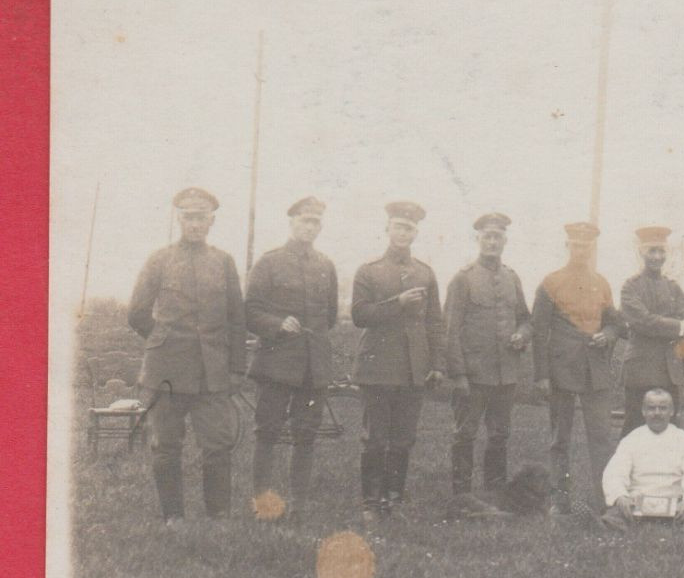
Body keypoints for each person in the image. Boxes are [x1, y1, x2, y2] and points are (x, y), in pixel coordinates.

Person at [128, 187, 247, 522]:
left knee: (218, 446)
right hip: (165, 373)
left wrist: (236, 368)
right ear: (180, 219)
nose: (195, 224)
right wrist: (164, 340)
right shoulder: (159, 260)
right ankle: (173, 519)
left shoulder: (223, 262)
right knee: (165, 447)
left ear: (211, 221)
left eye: (201, 218)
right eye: (189, 217)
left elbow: (237, 319)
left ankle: (218, 517)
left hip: (212, 373)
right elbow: (137, 312)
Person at [243, 195, 339, 520]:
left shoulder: (326, 265)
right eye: (304, 220)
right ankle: (263, 503)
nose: (309, 227)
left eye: (315, 222)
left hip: (313, 366)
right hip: (276, 362)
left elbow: (330, 315)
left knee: (306, 435)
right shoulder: (269, 262)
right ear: (292, 222)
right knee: (267, 432)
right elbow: (249, 310)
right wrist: (276, 324)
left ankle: (298, 504)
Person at [350, 200, 446, 519]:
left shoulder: (425, 273)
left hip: (412, 370)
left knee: (403, 439)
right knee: (375, 438)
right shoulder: (369, 271)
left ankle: (393, 499)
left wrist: (436, 364)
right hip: (377, 367)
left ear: (416, 233)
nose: (403, 232)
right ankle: (370, 502)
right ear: (387, 229)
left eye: (409, 228)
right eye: (398, 226)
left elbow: (435, 322)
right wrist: (398, 302)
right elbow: (360, 315)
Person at [532, 221, 626, 515]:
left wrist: (607, 335)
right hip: (562, 371)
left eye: (586, 245)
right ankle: (560, 502)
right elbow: (538, 331)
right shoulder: (551, 282)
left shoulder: (602, 283)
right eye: (576, 244)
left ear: (592, 248)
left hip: (595, 371)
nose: (581, 250)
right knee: (560, 439)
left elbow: (615, 323)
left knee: (600, 439)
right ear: (567, 245)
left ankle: (604, 502)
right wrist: (543, 375)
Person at [443, 212, 531, 508]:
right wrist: (459, 375)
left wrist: (522, 334)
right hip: (473, 374)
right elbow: (451, 330)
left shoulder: (511, 277)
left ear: (505, 241)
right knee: (465, 434)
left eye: (498, 237)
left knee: (499, 435)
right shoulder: (463, 279)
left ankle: (494, 493)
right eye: (487, 237)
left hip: (505, 374)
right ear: (477, 239)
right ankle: (462, 495)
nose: (492, 242)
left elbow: (525, 319)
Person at [618, 225, 684, 437]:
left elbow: (683, 315)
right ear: (641, 252)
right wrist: (677, 327)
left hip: (669, 370)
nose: (657, 257)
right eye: (652, 251)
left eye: (661, 251)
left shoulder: (673, 287)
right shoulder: (630, 287)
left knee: (670, 430)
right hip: (641, 370)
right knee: (635, 428)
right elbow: (643, 321)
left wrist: (677, 326)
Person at [600, 389, 684, 533]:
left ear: (671, 411)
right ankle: (604, 526)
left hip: (675, 502)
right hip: (638, 502)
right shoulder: (631, 439)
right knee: (615, 515)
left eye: (663, 408)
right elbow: (615, 472)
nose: (657, 413)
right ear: (643, 411)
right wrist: (620, 496)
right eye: (651, 408)